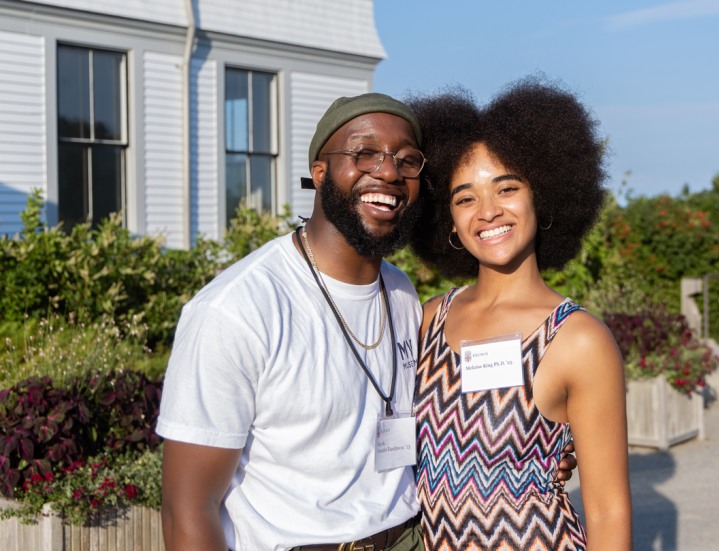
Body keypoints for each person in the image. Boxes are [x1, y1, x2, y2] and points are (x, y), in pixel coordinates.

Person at [156, 93, 429, 551]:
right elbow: (188, 509)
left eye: (407, 160)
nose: (388, 172)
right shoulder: (237, 309)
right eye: (364, 153)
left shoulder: (401, 293)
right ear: (319, 173)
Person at [408, 77, 632, 550]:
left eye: (506, 188)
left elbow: (609, 510)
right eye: (465, 197)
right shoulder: (427, 321)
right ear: (448, 220)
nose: (487, 211)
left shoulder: (579, 339)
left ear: (542, 196)